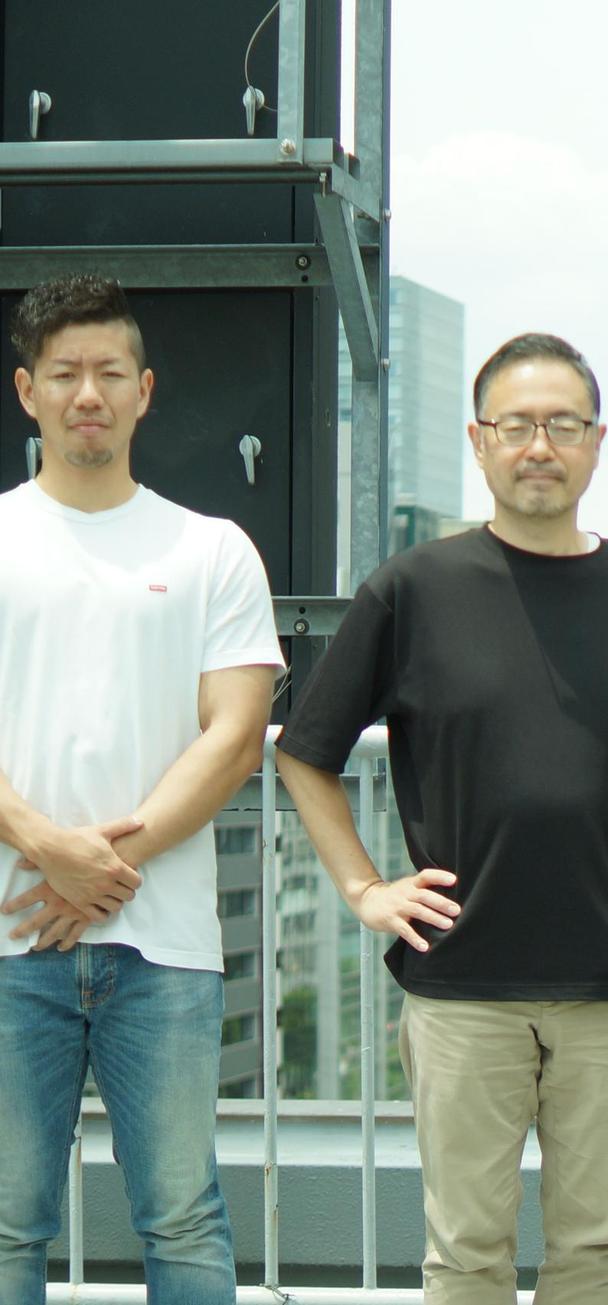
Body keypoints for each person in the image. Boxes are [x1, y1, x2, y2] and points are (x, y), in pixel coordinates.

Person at [275, 333, 608, 1305]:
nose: (540, 445)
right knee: (466, 1253)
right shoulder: (412, 590)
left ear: (596, 442)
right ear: (480, 439)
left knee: (595, 1249)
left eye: (563, 425)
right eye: (517, 425)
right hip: (461, 981)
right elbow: (305, 751)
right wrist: (365, 888)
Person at [0, 275, 282, 1302]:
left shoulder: (211, 548)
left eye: (110, 373)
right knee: (4, 1224)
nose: (89, 394)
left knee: (184, 1217)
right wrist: (47, 848)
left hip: (163, 945)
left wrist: (100, 869)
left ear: (145, 390)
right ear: (27, 390)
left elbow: (236, 735)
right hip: (7, 938)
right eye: (65, 373)